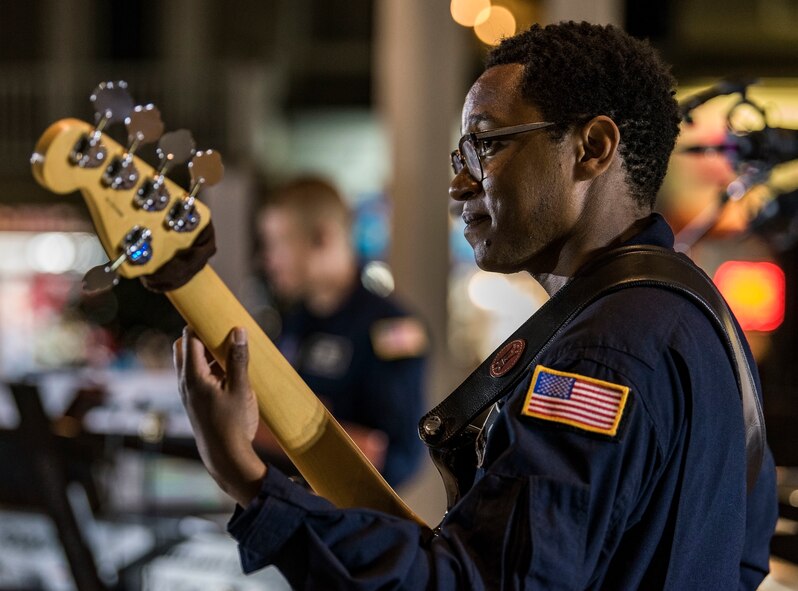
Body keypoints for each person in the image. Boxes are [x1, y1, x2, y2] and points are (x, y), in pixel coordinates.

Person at [173, 22, 777, 589]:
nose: (459, 183)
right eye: (459, 157)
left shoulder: (603, 352)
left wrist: (242, 472)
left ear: (591, 147)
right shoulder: (696, 311)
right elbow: (744, 554)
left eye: (485, 146)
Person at [249, 176, 427, 488]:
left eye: (278, 242)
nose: (268, 260)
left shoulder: (392, 327)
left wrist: (255, 426)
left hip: (353, 523)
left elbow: (391, 456)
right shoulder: (294, 322)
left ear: (322, 237)